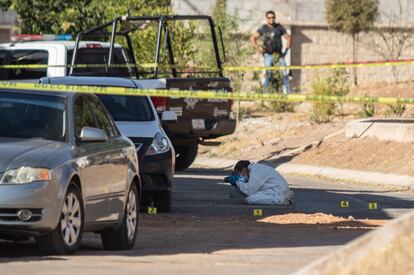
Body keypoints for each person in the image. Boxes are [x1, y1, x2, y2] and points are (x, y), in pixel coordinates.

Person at [250, 10, 292, 94]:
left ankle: (288, 94)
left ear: (275, 18)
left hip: (279, 55)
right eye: (269, 18)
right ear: (266, 18)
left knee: (284, 74)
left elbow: (289, 38)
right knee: (268, 74)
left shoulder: (279, 27)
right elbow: (252, 38)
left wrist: (286, 51)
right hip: (268, 55)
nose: (271, 19)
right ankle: (265, 94)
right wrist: (259, 48)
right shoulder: (263, 28)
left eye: (273, 17)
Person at [225, 160, 293, 205]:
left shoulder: (256, 172)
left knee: (251, 199)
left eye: (238, 173)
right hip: (271, 190)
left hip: (278, 191)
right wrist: (238, 182)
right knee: (234, 191)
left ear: (243, 169)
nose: (240, 176)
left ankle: (281, 200)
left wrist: (237, 181)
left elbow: (250, 191)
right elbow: (250, 186)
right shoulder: (253, 169)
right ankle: (282, 198)